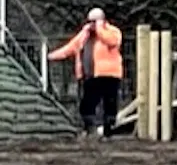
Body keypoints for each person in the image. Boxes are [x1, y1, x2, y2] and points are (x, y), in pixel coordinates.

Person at [50, 8, 125, 137]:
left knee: (110, 103)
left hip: (109, 74)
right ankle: (90, 129)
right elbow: (71, 47)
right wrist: (53, 56)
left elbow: (111, 41)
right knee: (87, 103)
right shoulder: (84, 34)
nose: (91, 24)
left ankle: (108, 130)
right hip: (90, 75)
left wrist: (100, 29)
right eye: (90, 21)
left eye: (95, 21)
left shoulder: (113, 31)